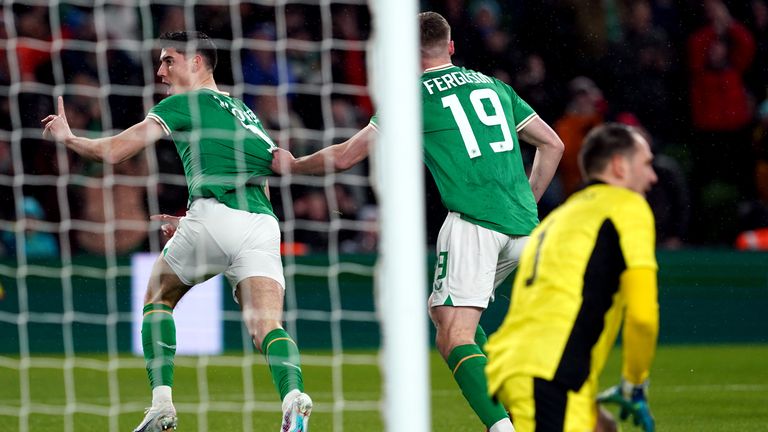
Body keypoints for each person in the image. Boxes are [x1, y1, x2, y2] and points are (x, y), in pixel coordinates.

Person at [272, 12, 564, 432]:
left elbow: (347, 156)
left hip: (473, 224)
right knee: (444, 314)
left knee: (454, 336)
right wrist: (525, 202)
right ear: (450, 47)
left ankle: (506, 427)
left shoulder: (414, 95)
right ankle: (511, 400)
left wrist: (294, 165)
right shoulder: (494, 86)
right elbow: (553, 144)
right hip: (522, 227)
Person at [41, 31, 312, 432]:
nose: (160, 71)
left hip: (215, 216)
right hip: (261, 225)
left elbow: (116, 151)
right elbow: (263, 178)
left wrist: (69, 138)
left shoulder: (185, 102)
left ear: (197, 63)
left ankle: (161, 405)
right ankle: (294, 398)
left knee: (157, 297)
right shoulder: (244, 112)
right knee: (267, 327)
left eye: (169, 60)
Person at [485, 123, 659, 432]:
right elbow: (643, 316)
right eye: (646, 163)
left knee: (603, 428)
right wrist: (634, 382)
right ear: (619, 166)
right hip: (549, 375)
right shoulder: (627, 207)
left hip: (525, 367)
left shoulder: (560, 217)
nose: (653, 176)